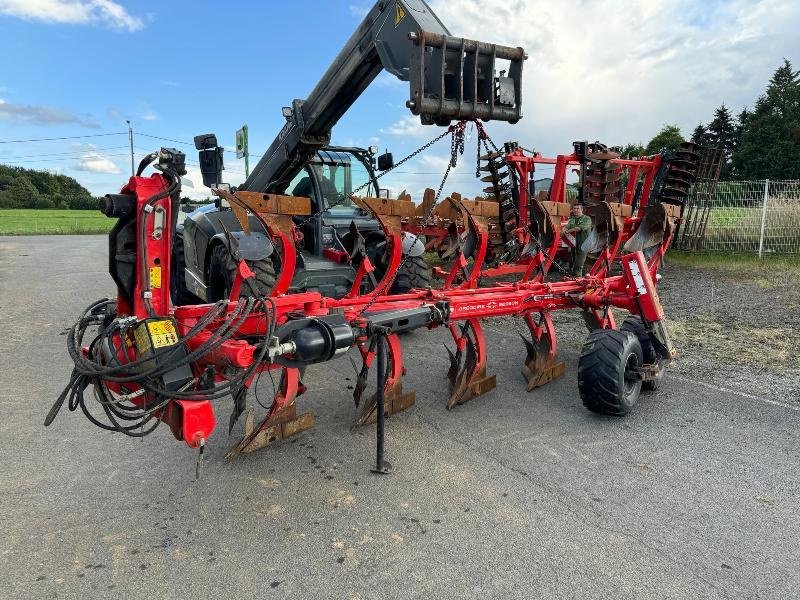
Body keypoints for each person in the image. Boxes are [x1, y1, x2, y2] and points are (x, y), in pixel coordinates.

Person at [563, 202, 592, 276]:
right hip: (574, 244)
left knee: (578, 265)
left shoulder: (587, 219)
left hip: (584, 245)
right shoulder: (572, 219)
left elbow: (578, 228)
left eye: (578, 208)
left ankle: (578, 280)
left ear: (582, 209)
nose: (576, 210)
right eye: (574, 209)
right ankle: (574, 279)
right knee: (573, 262)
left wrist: (567, 231)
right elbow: (568, 225)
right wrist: (563, 229)